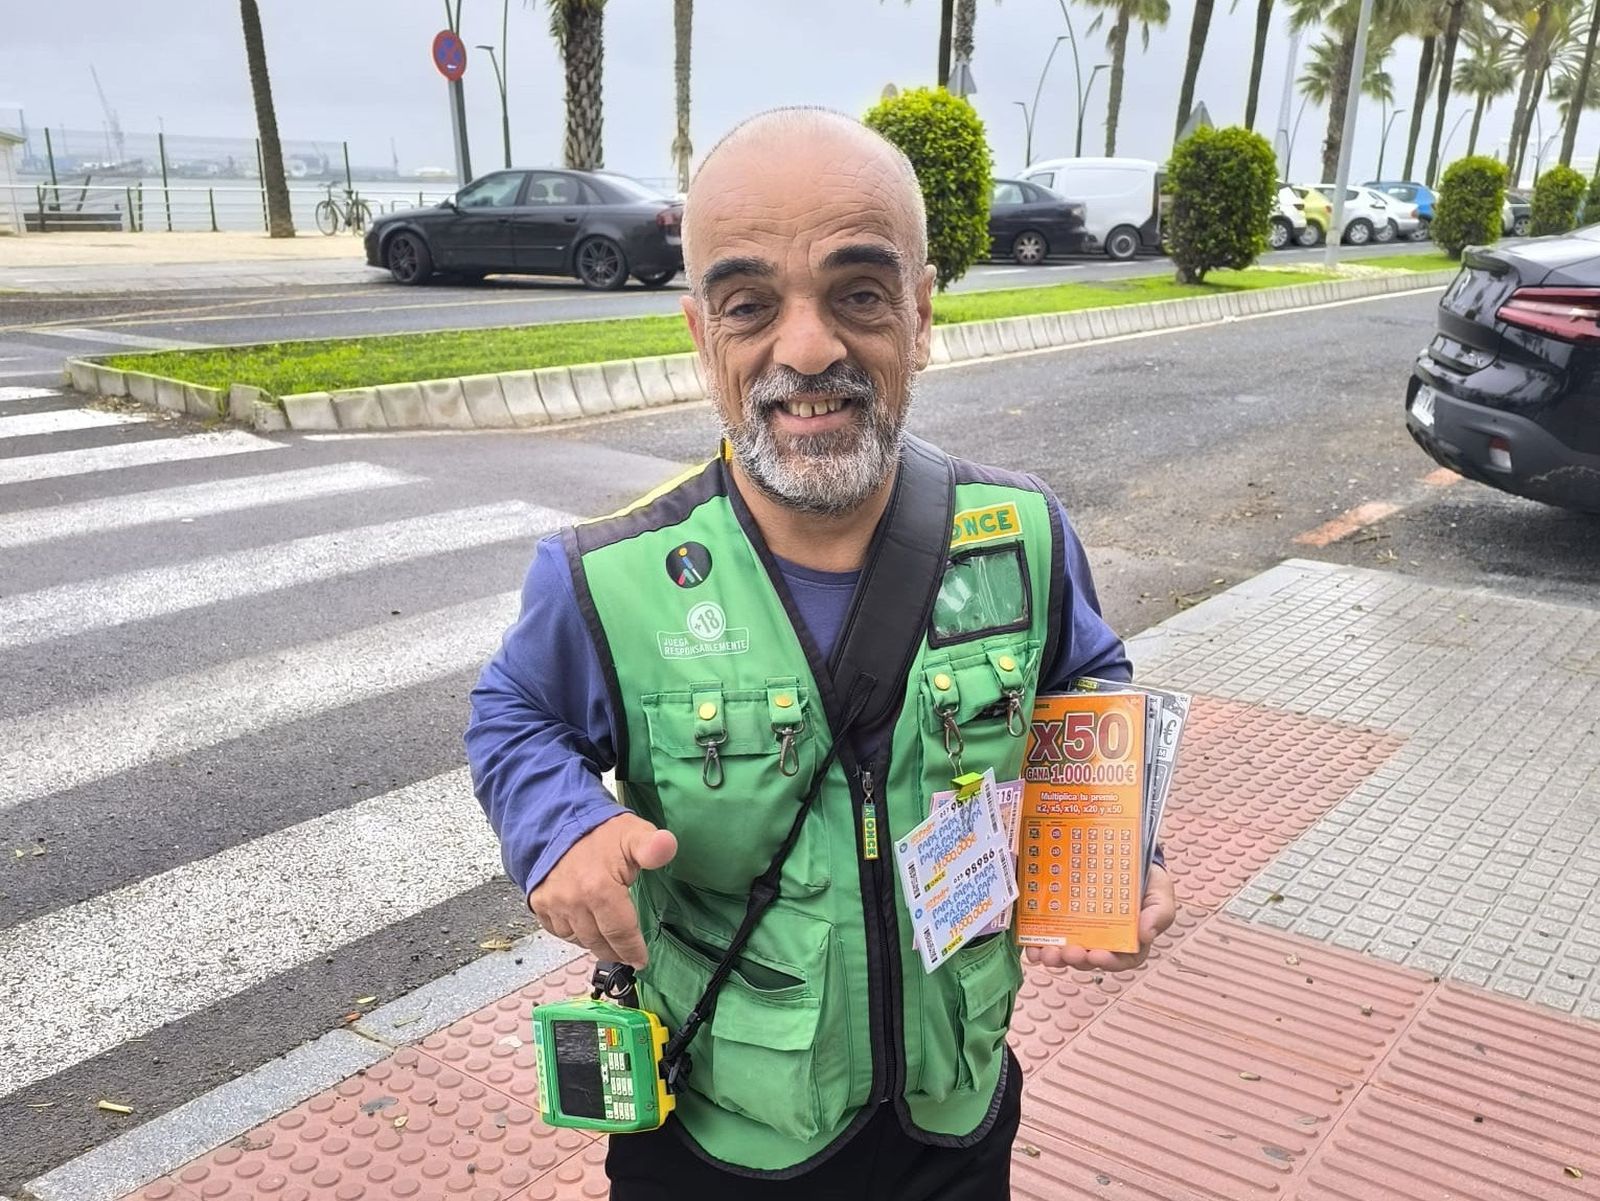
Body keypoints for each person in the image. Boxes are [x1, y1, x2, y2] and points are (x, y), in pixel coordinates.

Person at [466, 107, 1176, 1200]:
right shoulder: (605, 575)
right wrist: (561, 824)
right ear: (700, 334)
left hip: (956, 1106)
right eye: (751, 304)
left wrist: (1117, 849)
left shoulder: (1023, 531)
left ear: (922, 313)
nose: (808, 349)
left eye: (857, 293)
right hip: (719, 1130)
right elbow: (515, 712)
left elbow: (1085, 681)